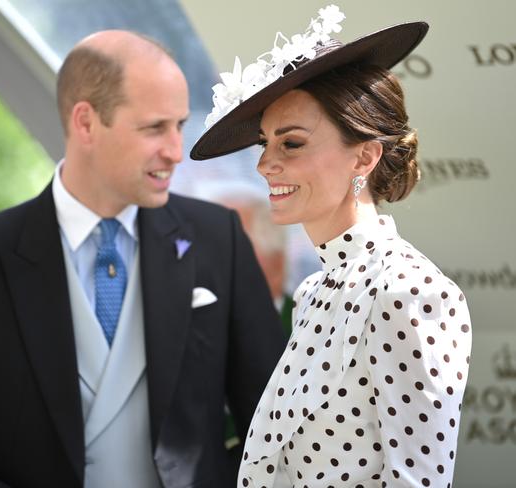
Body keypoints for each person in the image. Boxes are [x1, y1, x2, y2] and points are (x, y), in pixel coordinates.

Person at [0, 30, 287, 488]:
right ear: (86, 123)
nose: (176, 151)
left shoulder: (219, 241)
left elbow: (276, 428)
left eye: (179, 125)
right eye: (154, 127)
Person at [191, 6, 472, 488]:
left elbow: (419, 481)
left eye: (291, 144)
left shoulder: (409, 292)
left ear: (364, 155)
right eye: (264, 143)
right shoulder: (315, 292)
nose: (264, 165)